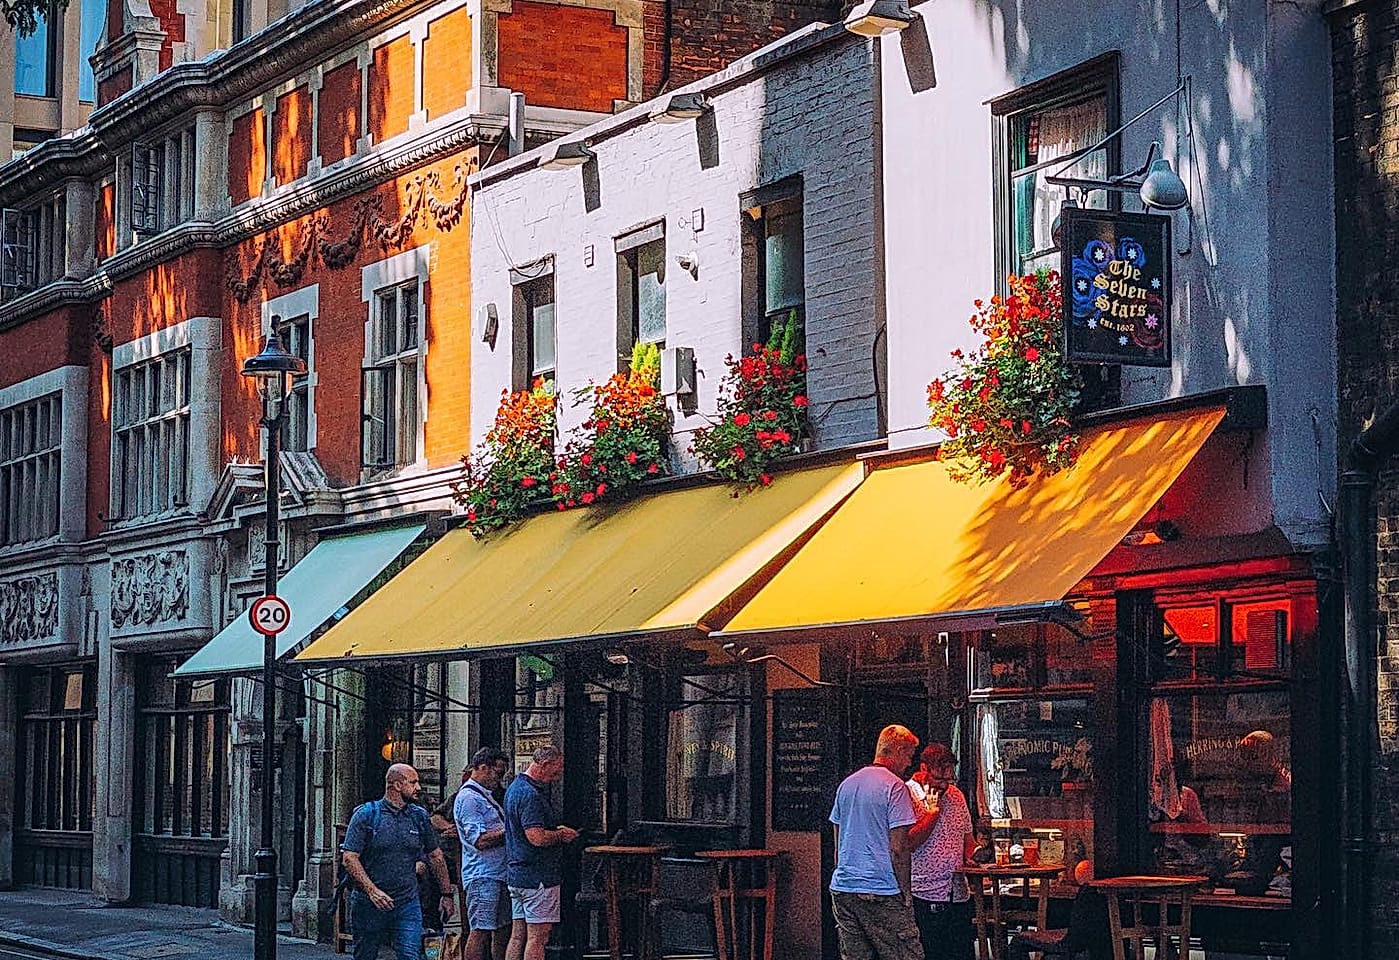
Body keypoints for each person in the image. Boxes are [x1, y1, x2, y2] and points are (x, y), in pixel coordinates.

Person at [341, 763, 456, 960]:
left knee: (410, 954)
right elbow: (349, 857)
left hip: (407, 902)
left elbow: (435, 855)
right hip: (369, 903)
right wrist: (372, 891)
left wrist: (446, 894)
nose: (418, 788)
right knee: (365, 955)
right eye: (413, 782)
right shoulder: (366, 815)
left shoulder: (418, 816)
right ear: (396, 785)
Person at [829, 724, 923, 960]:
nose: (909, 763)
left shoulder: (847, 785)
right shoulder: (895, 787)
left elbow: (838, 840)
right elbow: (898, 847)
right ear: (898, 750)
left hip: (844, 887)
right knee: (906, 954)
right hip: (881, 887)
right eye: (909, 755)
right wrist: (906, 890)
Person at [504, 745, 579, 960]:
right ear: (545, 765)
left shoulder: (515, 788)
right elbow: (536, 837)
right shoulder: (531, 796)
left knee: (518, 935)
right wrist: (560, 835)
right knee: (538, 937)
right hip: (538, 877)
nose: (559, 775)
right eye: (556, 769)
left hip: (517, 873)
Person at [906, 743, 972, 960]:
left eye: (949, 779)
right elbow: (908, 843)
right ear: (923, 769)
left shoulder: (956, 795)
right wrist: (932, 814)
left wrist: (978, 854)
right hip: (923, 893)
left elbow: (967, 840)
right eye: (939, 779)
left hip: (958, 893)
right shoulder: (907, 794)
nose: (945, 785)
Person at [455, 747, 513, 960]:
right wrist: (510, 830)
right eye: (498, 773)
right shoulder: (470, 798)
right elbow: (479, 840)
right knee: (480, 929)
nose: (500, 779)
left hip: (498, 872)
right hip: (483, 875)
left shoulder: (485, 796)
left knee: (501, 928)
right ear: (482, 768)